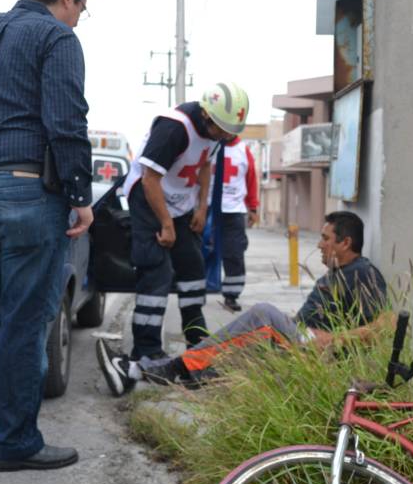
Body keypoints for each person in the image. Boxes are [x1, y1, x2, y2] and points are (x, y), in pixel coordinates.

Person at [0, 0, 94, 472]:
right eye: (82, 7)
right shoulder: (57, 39)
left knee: (5, 319)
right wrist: (81, 196)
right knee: (25, 322)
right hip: (25, 194)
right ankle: (15, 443)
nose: (80, 18)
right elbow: (65, 119)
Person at [97, 211, 389, 396]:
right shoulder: (341, 273)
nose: (319, 245)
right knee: (226, 353)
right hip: (299, 341)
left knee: (262, 314)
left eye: (325, 239)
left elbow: (382, 327)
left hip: (311, 350)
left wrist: (330, 340)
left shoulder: (362, 272)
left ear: (345, 243)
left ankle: (141, 369)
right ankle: (137, 371)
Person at [124, 82, 250, 361]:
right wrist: (166, 224)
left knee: (193, 268)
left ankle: (197, 339)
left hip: (181, 202)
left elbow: (205, 165)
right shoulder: (174, 128)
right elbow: (150, 179)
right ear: (206, 116)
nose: (227, 136)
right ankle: (146, 352)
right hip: (148, 199)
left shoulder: (219, 135)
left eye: (232, 131)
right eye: (223, 129)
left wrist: (201, 207)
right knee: (156, 271)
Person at [214, 137, 260, 312]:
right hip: (209, 209)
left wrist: (253, 207)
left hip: (234, 211)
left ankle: (231, 295)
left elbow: (251, 179)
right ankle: (199, 290)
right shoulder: (209, 144)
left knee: (234, 254)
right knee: (200, 252)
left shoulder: (243, 150)